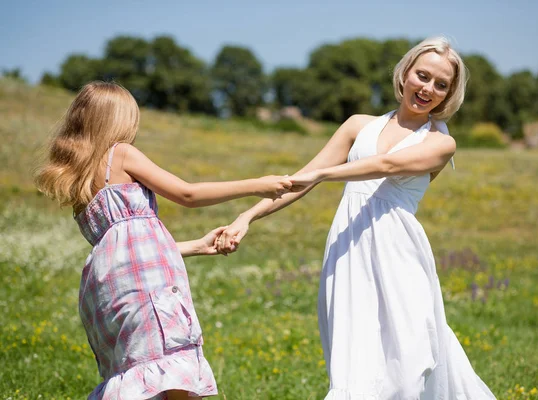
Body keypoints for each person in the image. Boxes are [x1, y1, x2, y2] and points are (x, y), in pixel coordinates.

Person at [216, 37, 496, 399]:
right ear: (405, 73)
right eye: (422, 76)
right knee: (357, 361)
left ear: (449, 94)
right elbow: (299, 180)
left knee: (412, 360)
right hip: (349, 249)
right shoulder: (357, 126)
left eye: (441, 84)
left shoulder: (442, 143)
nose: (427, 88)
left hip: (400, 252)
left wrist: (323, 175)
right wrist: (247, 216)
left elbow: (386, 165)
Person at [34, 81, 292, 400]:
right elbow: (188, 193)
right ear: (117, 120)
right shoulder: (121, 154)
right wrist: (257, 185)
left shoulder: (81, 177)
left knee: (140, 376)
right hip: (147, 291)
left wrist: (197, 245)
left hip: (106, 292)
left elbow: (123, 252)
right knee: (172, 375)